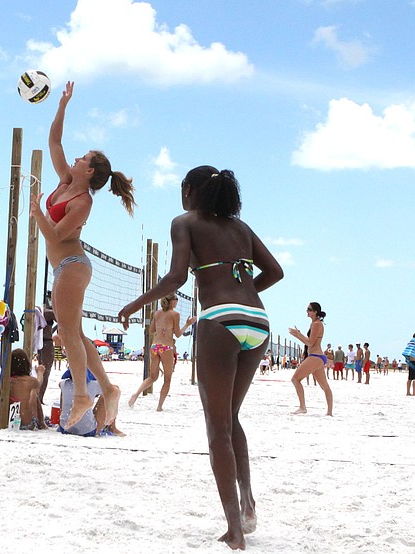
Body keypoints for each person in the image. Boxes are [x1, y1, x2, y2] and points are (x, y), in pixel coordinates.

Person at [118, 165, 283, 550]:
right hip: (257, 322)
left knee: (216, 429)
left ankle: (236, 531)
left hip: (219, 322)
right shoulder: (240, 228)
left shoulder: (184, 222)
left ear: (189, 190)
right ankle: (249, 505)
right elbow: (275, 271)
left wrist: (135, 304)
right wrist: (243, 296)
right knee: (231, 420)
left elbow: (175, 278)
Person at [29, 81, 133, 429]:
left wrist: (36, 212)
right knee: (76, 333)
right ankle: (108, 386)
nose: (76, 157)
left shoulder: (83, 201)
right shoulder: (63, 181)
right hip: (64, 267)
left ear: (89, 171)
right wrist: (63, 105)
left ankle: (86, 396)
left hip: (72, 265)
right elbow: (54, 141)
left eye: (83, 157)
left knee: (68, 335)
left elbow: (56, 235)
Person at [127, 293, 196, 411]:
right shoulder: (175, 314)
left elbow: (152, 330)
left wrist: (162, 329)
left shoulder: (157, 313)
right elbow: (178, 334)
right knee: (167, 379)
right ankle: (159, 406)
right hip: (166, 347)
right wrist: (188, 324)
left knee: (153, 377)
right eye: (176, 300)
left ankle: (135, 395)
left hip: (155, 346)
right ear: (171, 301)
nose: (177, 302)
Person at [288, 302, 333, 416]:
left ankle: (302, 407)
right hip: (317, 357)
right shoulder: (315, 324)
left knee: (295, 379)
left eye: (309, 309)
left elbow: (310, 342)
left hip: (315, 356)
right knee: (324, 386)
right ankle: (329, 412)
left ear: (315, 312)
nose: (307, 311)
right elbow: (310, 343)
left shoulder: (316, 324)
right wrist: (299, 335)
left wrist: (297, 335)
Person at [36, 296, 56, 405]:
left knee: (41, 370)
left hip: (40, 341)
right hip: (46, 343)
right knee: (45, 372)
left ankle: (39, 397)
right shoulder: (49, 312)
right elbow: (63, 321)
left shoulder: (38, 311)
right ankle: (39, 398)